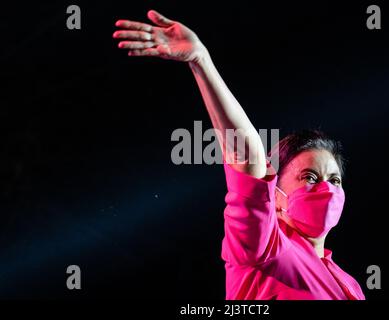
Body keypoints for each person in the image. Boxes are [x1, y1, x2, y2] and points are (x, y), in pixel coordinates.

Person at [113, 9, 365, 300]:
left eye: (334, 180)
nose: (326, 188)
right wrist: (201, 61)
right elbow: (249, 159)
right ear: (276, 197)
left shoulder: (351, 285)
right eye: (309, 177)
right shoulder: (265, 247)